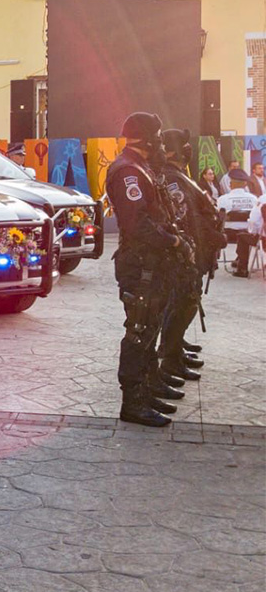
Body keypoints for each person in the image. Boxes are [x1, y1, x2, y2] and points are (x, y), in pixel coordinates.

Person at [105, 111, 189, 427]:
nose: (159, 142)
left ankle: (147, 389)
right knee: (139, 331)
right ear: (147, 137)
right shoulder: (129, 172)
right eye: (156, 136)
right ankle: (133, 402)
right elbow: (138, 224)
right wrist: (174, 242)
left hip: (151, 265)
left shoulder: (141, 168)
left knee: (149, 328)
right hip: (139, 265)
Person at [154, 129, 216, 383]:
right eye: (183, 146)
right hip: (181, 254)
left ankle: (175, 348)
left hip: (193, 251)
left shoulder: (179, 175)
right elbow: (181, 217)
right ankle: (170, 358)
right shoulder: (170, 177)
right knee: (179, 305)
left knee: (184, 304)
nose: (188, 151)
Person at [217, 168, 259, 277]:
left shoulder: (223, 199)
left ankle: (239, 260)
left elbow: (219, 218)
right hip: (248, 234)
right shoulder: (253, 199)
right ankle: (239, 259)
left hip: (229, 235)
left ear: (230, 184)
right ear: (245, 184)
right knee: (244, 235)